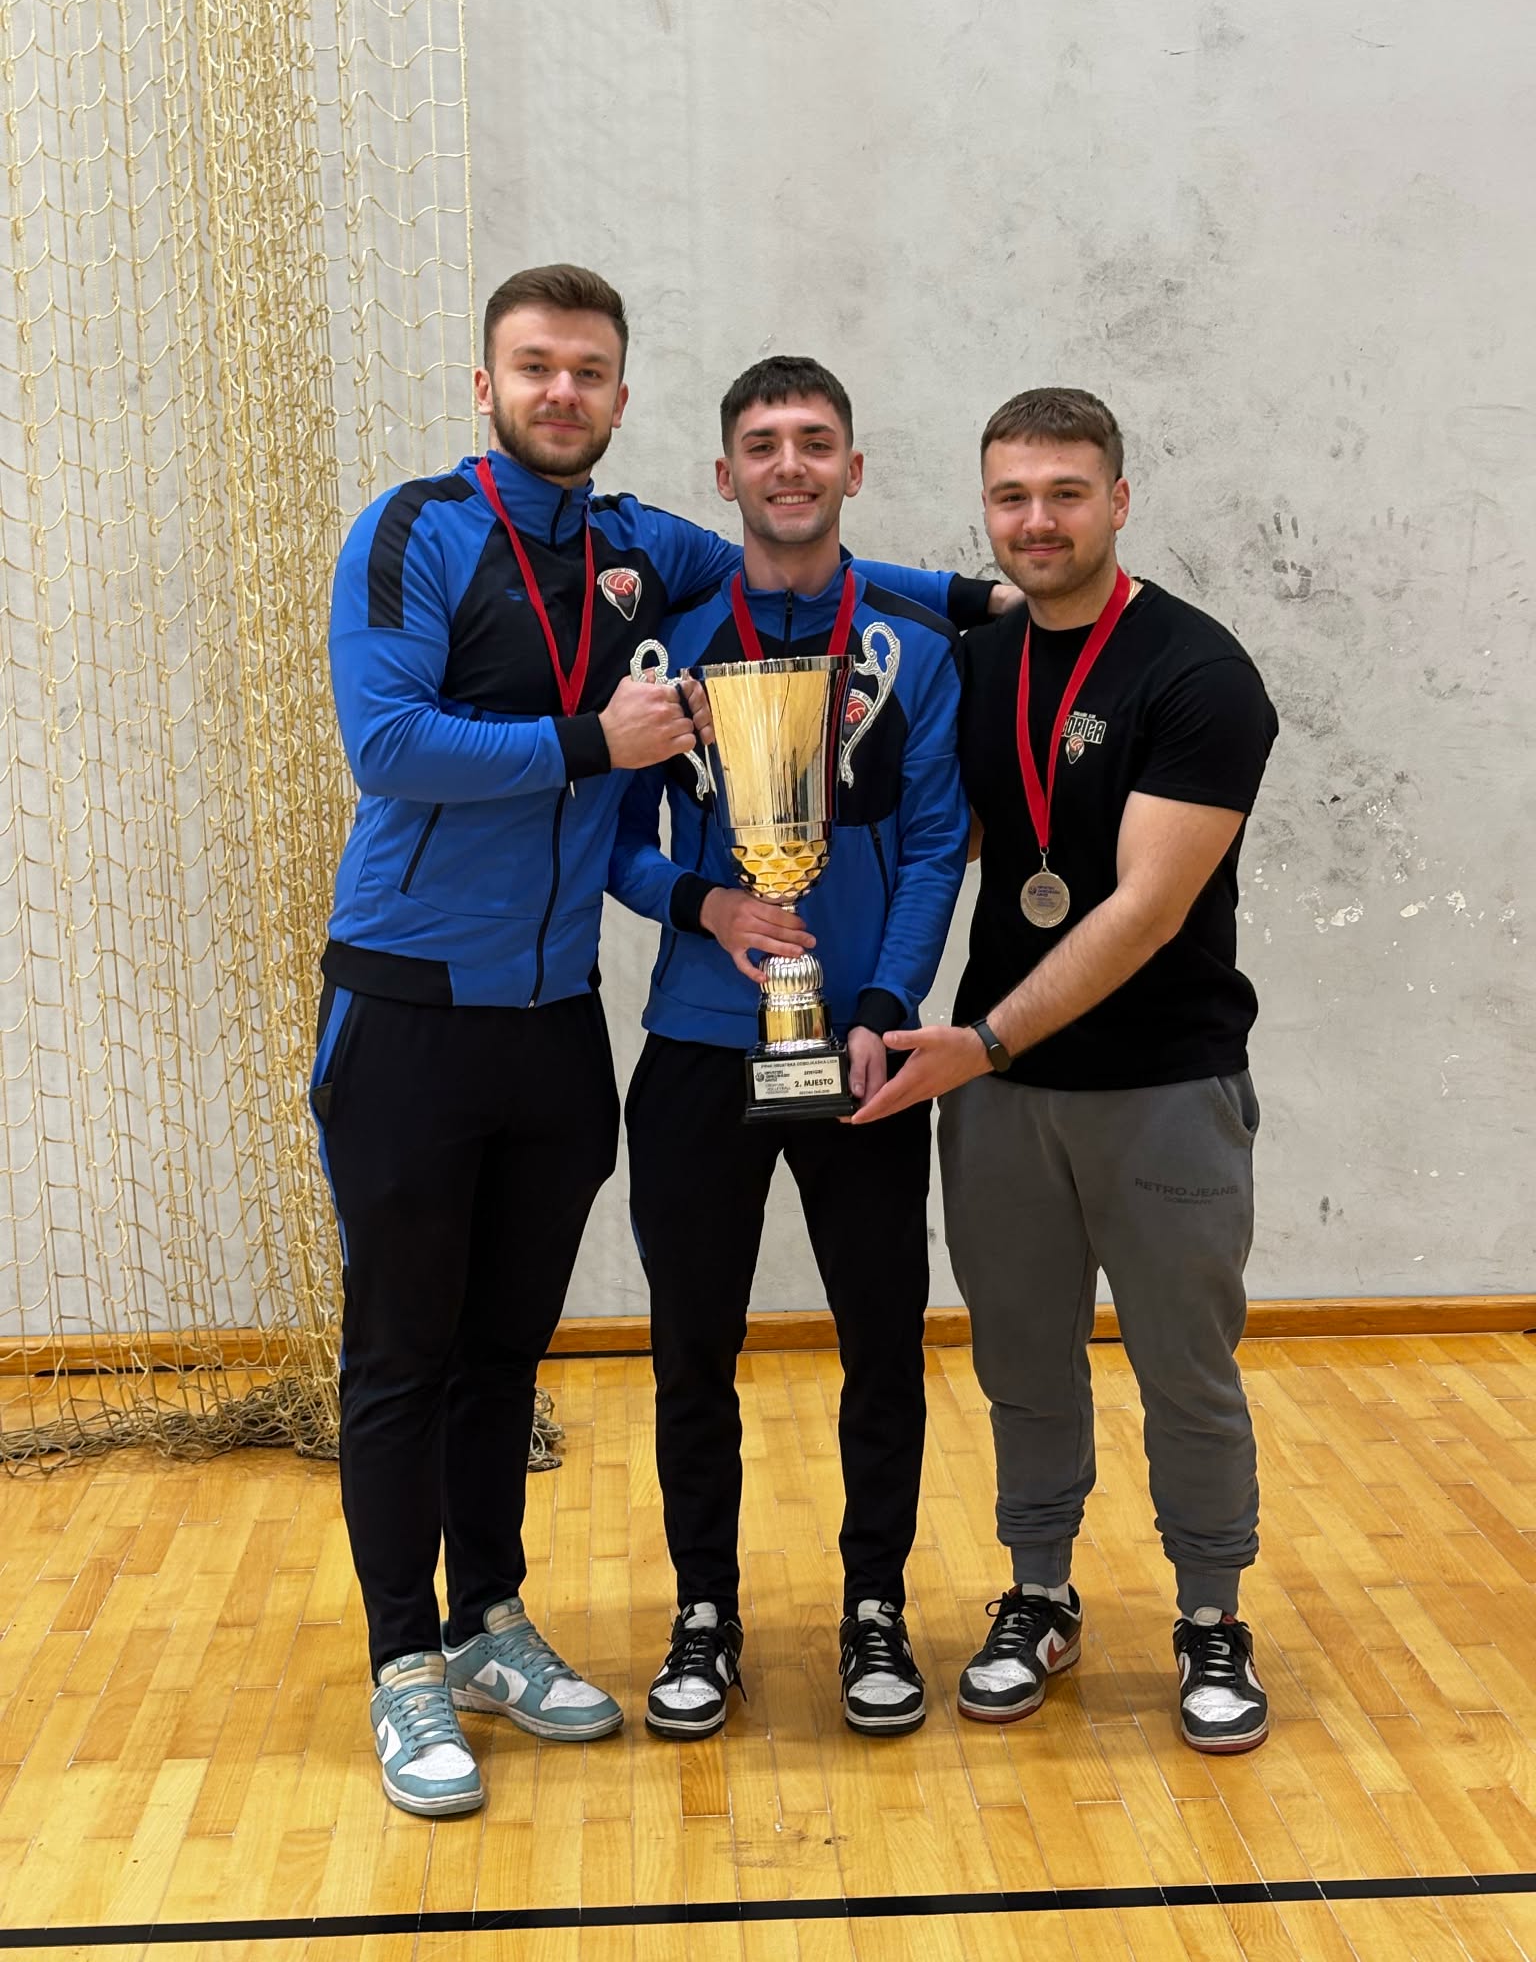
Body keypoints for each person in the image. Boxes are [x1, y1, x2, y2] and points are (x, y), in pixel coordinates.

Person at [313, 267, 1007, 1817]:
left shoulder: (642, 548)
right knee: (405, 1355)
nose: (561, 391)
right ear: (487, 384)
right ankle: (411, 1661)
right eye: (535, 366)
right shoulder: (415, 530)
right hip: (412, 1004)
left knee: (507, 1355)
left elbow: (805, 552)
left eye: (588, 370)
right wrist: (620, 779)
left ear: (621, 398)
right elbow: (387, 743)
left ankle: (492, 1622)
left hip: (558, 1024)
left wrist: (974, 601)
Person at [853, 387, 1279, 1755]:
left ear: (1119, 501)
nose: (1038, 521)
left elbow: (1145, 909)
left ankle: (1211, 1619)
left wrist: (980, 1040)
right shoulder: (974, 663)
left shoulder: (1199, 671)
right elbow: (949, 838)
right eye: (1012, 497)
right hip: (1001, 1104)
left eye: (1065, 494)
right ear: (987, 511)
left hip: (1162, 1089)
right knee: (1023, 1365)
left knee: (1185, 1373)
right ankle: (1038, 1595)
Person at [610, 356, 971, 1742]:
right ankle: (705, 1614)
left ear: (853, 469)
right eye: (762, 445)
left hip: (864, 1050)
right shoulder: (670, 650)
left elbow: (935, 844)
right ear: (726, 477)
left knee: (883, 1340)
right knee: (691, 1347)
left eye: (815, 442)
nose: (790, 465)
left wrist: (885, 1000)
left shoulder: (913, 648)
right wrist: (702, 902)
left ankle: (874, 1604)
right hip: (700, 1046)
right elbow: (613, 842)